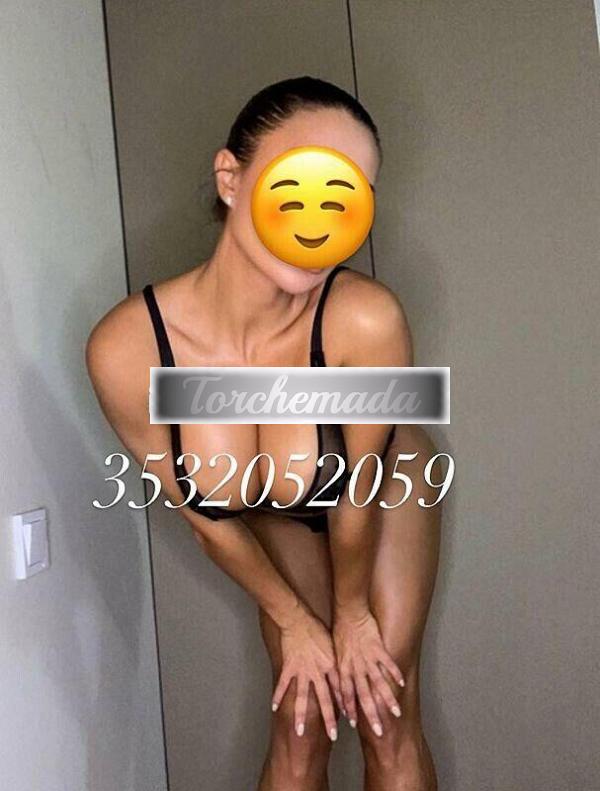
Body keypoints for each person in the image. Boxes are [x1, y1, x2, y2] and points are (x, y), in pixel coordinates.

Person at [86, 76, 442, 791]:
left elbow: (360, 493)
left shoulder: (366, 320)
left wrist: (351, 616)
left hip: (381, 491)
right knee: (302, 714)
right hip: (277, 511)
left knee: (382, 706)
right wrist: (297, 622)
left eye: (348, 194)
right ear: (231, 178)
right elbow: (207, 520)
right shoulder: (128, 348)